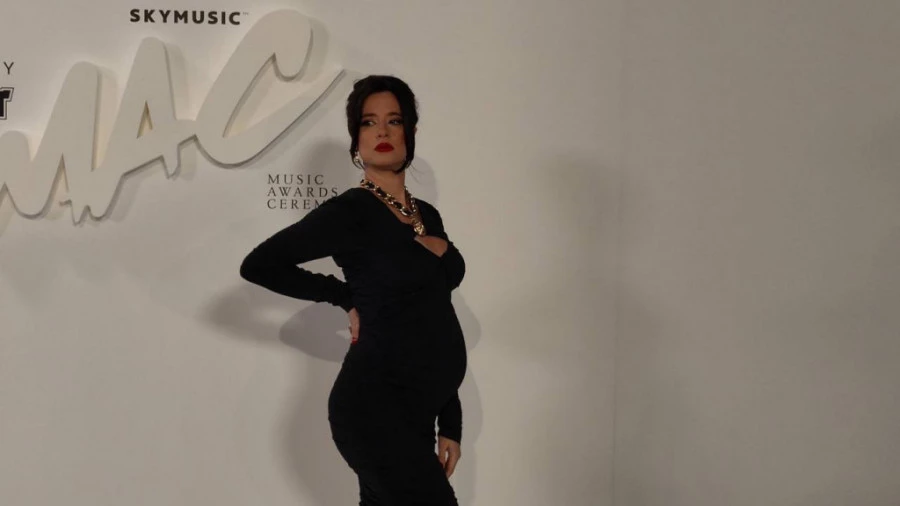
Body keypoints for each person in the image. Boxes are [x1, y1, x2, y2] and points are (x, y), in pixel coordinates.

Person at [239, 75, 467, 505]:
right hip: (374, 408)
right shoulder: (350, 212)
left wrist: (449, 423)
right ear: (355, 137)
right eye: (368, 122)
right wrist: (344, 296)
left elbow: (434, 316)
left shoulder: (427, 215)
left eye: (394, 120)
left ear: (411, 131)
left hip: (418, 413)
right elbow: (260, 265)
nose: (382, 131)